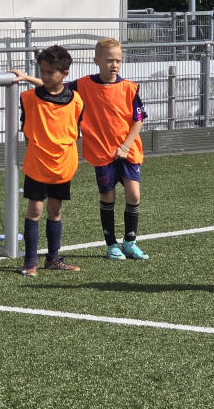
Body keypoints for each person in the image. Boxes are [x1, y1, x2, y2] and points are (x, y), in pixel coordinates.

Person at [9, 46, 84, 276]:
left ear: (65, 73)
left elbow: (74, 130)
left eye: (51, 72)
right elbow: (27, 130)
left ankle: (53, 258)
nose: (45, 76)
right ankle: (29, 262)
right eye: (42, 71)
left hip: (63, 166)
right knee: (34, 211)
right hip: (37, 165)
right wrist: (25, 77)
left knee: (55, 211)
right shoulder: (29, 98)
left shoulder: (76, 100)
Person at [70, 38, 148, 260]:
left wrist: (125, 145)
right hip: (102, 151)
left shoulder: (129, 88)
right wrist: (29, 78)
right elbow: (55, 86)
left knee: (134, 195)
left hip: (128, 150)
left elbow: (139, 119)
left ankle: (130, 242)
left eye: (118, 61)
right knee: (108, 196)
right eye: (109, 60)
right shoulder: (82, 85)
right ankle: (111, 244)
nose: (114, 65)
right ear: (96, 61)